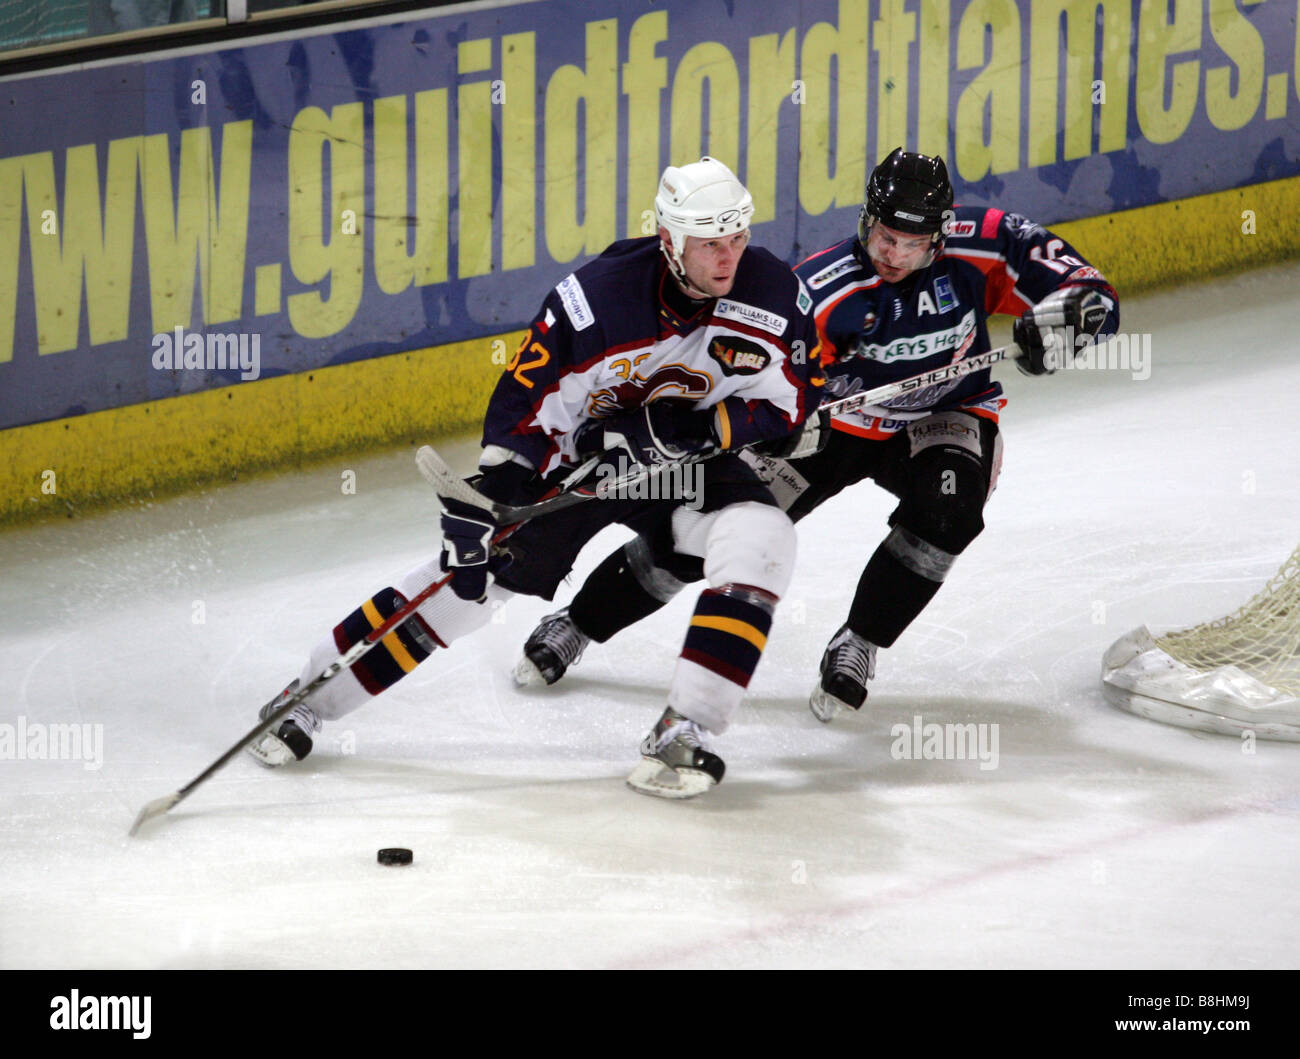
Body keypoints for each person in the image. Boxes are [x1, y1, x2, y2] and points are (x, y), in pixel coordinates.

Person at [246, 157, 824, 798]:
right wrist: (490, 493)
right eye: (709, 242)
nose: (728, 258)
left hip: (686, 474)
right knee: (465, 586)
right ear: (669, 239)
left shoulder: (773, 292)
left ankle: (685, 732)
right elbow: (524, 410)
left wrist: (698, 433)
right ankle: (310, 696)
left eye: (737, 237)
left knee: (764, 537)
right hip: (582, 469)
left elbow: (790, 404)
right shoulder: (596, 302)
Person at [514, 147, 1119, 722]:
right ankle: (581, 622)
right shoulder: (820, 289)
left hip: (947, 413)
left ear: (939, 234)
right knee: (701, 535)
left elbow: (1088, 291)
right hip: (829, 426)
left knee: (948, 515)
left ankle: (861, 640)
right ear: (865, 219)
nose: (895, 255)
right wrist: (772, 426)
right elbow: (758, 378)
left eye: (913, 244)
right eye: (884, 237)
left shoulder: (986, 240)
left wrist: (1072, 320)